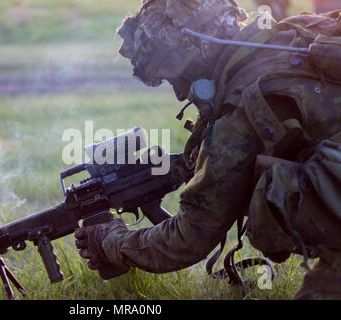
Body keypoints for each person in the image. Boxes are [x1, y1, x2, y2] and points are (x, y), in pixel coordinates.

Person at [75, 0, 341, 299]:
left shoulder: (240, 113)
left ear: (199, 56)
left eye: (177, 77)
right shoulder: (297, 34)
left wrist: (111, 241)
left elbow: (188, 240)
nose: (179, 93)